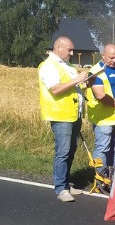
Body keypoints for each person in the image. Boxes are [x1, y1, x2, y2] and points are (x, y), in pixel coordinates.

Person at [38, 36, 89, 202]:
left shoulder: (66, 65)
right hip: (60, 115)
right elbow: (55, 89)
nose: (72, 53)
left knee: (71, 150)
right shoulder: (48, 66)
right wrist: (77, 79)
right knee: (63, 151)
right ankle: (61, 188)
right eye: (69, 50)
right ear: (58, 47)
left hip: (73, 113)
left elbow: (75, 85)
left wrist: (85, 82)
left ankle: (66, 183)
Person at [89, 44, 115, 171]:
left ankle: (114, 177)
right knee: (103, 147)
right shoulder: (96, 71)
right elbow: (100, 95)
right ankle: (101, 177)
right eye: (111, 58)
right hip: (103, 117)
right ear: (103, 55)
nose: (114, 61)